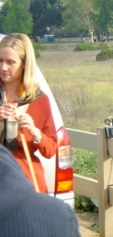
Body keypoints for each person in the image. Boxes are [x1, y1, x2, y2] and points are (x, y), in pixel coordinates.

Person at [0, 33, 58, 193]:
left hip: (28, 185)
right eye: (0, 61)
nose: (3, 67)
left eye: (10, 62)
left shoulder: (39, 99)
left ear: (25, 64)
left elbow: (51, 150)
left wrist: (34, 131)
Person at [0, 144, 80, 237]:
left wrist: (37, 136)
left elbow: (50, 150)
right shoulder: (60, 215)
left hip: (32, 178)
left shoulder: (57, 214)